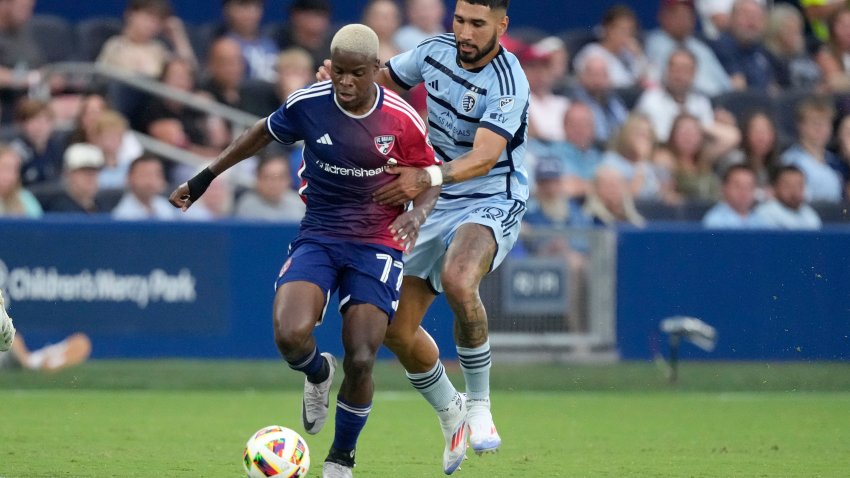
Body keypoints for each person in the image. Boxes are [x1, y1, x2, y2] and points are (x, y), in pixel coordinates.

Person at [170, 24, 440, 478]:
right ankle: (317, 373)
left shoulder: (401, 118)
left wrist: (419, 213)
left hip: (378, 240)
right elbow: (261, 132)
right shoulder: (308, 103)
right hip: (320, 232)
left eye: (358, 73)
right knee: (289, 334)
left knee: (361, 355)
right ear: (330, 67)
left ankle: (340, 460)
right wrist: (205, 177)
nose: (347, 83)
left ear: (376, 70)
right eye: (340, 73)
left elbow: (429, 175)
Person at [320, 0, 530, 472]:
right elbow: (378, 86)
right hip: (434, 197)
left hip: (489, 196)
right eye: (459, 20)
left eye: (477, 24)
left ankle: (479, 406)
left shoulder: (509, 80)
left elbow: (482, 158)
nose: (465, 32)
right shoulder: (431, 52)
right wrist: (338, 86)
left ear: (501, 25)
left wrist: (426, 176)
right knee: (394, 330)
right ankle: (450, 410)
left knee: (459, 279)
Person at [42, 143, 111, 214]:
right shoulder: (59, 210)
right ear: (67, 174)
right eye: (84, 171)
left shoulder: (104, 207)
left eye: (94, 171)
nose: (90, 177)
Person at [233, 154, 306, 222]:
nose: (275, 183)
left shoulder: (300, 204)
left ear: (289, 179)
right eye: (268, 178)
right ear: (258, 179)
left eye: (281, 177)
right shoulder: (246, 207)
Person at [753, 165, 822, 229]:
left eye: (799, 186)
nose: (794, 191)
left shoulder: (809, 214)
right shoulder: (765, 213)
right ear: (775, 187)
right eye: (788, 186)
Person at [112, 154, 179, 221]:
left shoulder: (165, 206)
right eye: (144, 175)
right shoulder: (122, 214)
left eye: (157, 175)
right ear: (129, 178)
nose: (151, 180)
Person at [702, 164, 765, 228]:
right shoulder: (714, 221)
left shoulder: (760, 220)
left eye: (749, 186)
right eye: (737, 186)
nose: (743, 191)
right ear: (724, 188)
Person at [0, 145, 42, 217]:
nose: (8, 175)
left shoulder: (25, 198)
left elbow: (39, 224)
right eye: (4, 167)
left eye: (14, 170)